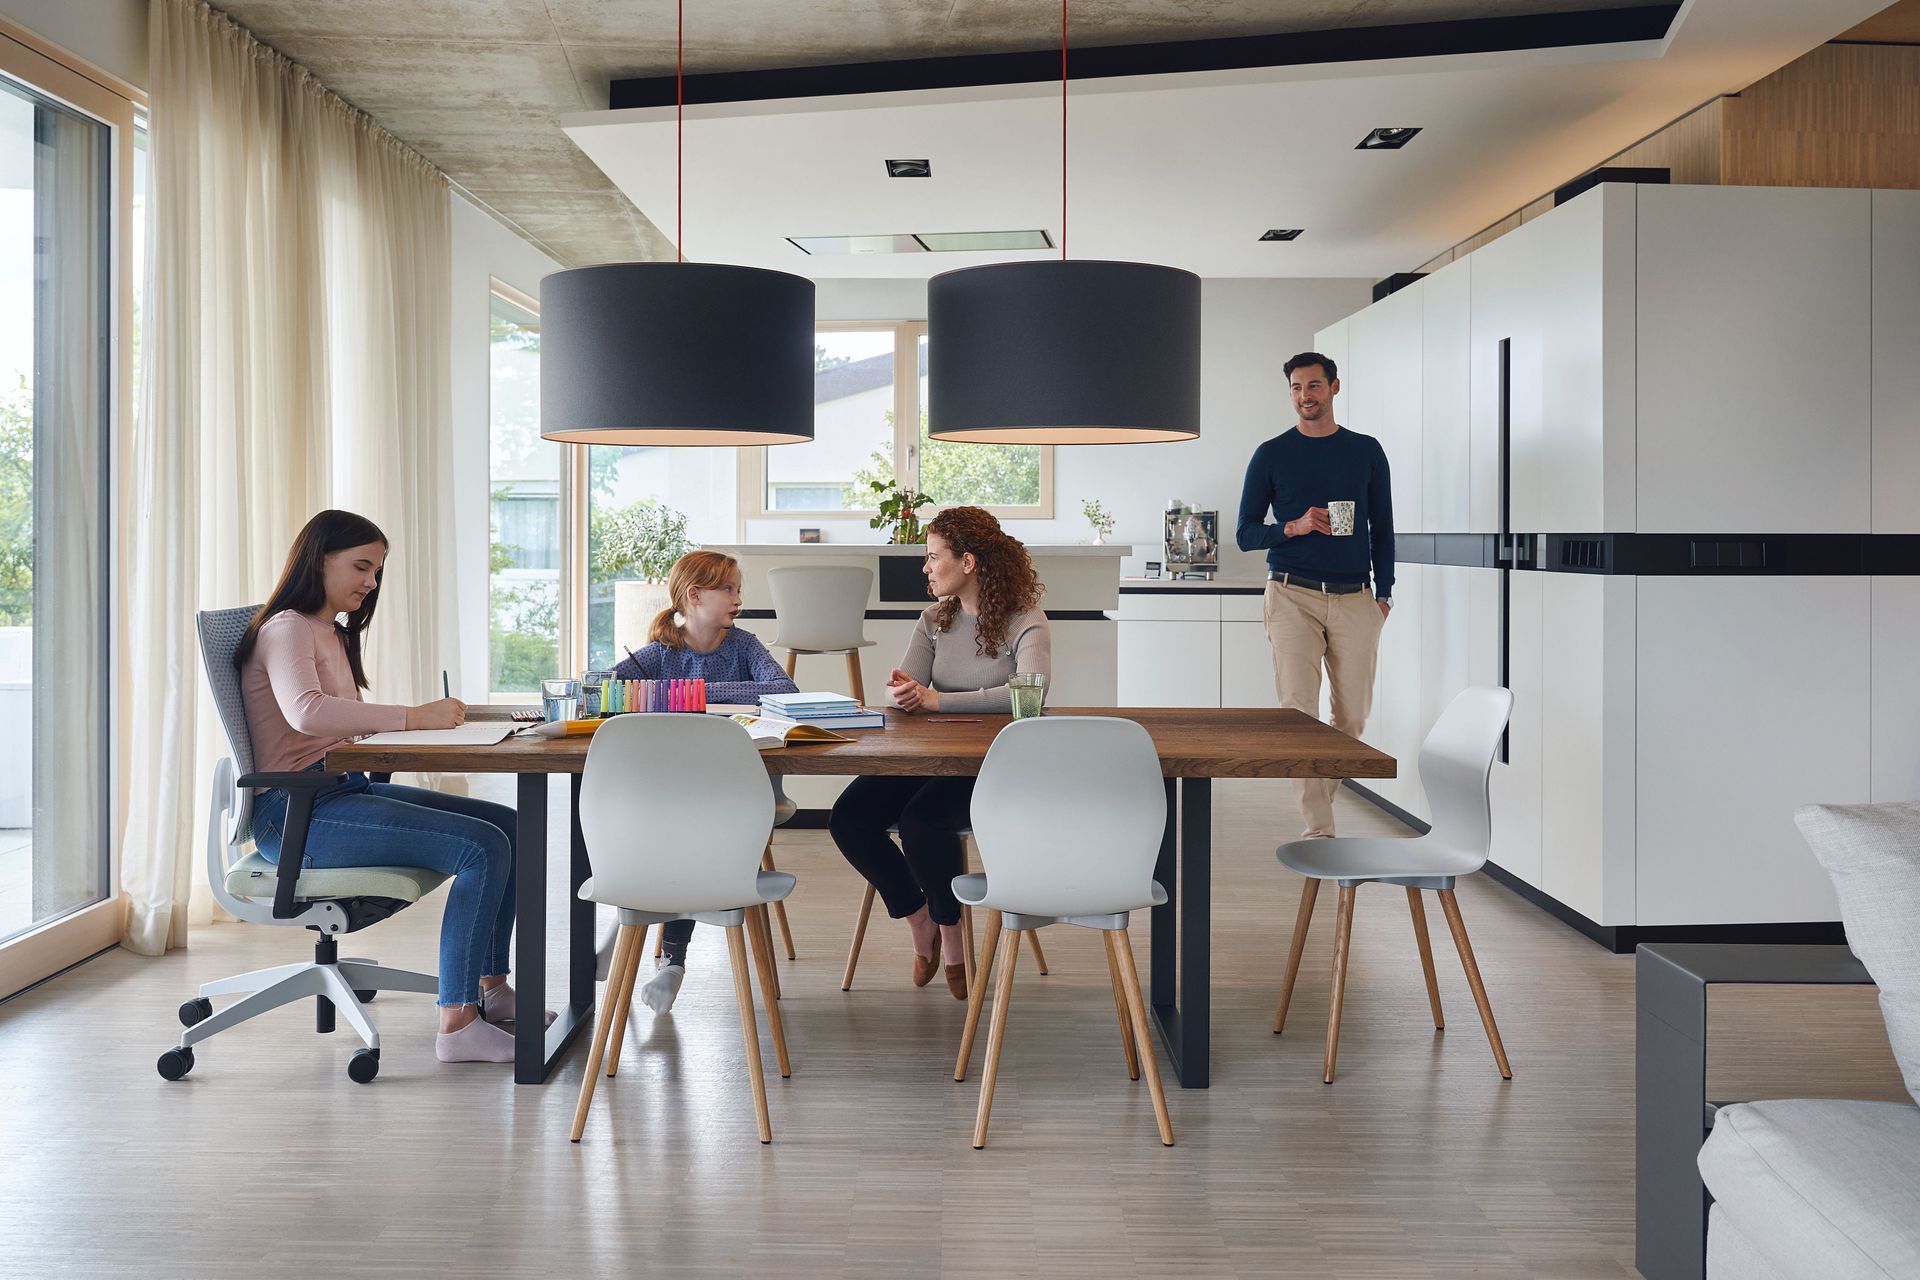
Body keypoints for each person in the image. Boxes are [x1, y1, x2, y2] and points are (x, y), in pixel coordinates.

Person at [236, 509, 545, 1064]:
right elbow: (307, 713)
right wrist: (415, 716)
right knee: (482, 846)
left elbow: (347, 720)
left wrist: (424, 721)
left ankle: (491, 990)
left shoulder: (328, 632)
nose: (370, 582)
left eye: (376, 571)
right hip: (295, 814)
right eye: (360, 566)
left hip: (336, 795)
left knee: (511, 826)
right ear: (318, 558)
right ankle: (458, 1023)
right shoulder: (286, 628)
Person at [828, 506, 1051, 1000]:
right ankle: (918, 914)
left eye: (933, 557)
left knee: (921, 822)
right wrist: (904, 694)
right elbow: (902, 684)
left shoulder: (1024, 619)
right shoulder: (934, 619)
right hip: (930, 756)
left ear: (968, 561)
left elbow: (1030, 694)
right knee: (849, 818)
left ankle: (952, 935)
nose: (925, 568)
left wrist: (937, 700)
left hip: (995, 767)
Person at [609, 549, 798, 1013]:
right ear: (694, 595)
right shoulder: (657, 655)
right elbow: (607, 692)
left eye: (738, 589)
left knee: (686, 835)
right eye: (728, 589)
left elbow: (785, 692)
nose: (738, 598)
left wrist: (687, 695)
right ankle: (668, 959)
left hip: (744, 794)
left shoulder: (745, 645)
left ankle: (666, 956)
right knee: (680, 831)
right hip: (676, 795)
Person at [1235, 350, 1395, 839]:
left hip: (1355, 598)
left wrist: (1383, 594)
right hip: (1291, 595)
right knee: (1298, 714)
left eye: (1314, 386)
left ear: (1334, 388)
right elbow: (1245, 534)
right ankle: (1320, 831)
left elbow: (1383, 528)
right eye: (1296, 388)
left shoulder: (1366, 451)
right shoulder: (1271, 453)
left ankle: (1318, 796)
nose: (1305, 396)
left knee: (1352, 718)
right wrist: (1295, 525)